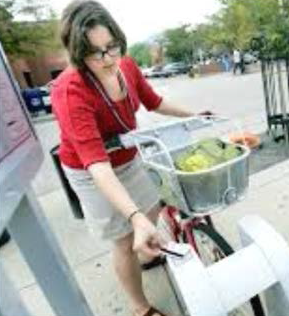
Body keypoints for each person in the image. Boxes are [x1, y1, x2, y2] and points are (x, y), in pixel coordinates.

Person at [51, 1, 208, 316]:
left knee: (150, 210)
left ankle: (147, 254)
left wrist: (196, 116)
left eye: (112, 46)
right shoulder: (69, 91)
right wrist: (132, 218)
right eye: (96, 52)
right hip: (91, 172)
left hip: (129, 155)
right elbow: (97, 166)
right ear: (77, 52)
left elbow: (154, 101)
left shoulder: (127, 66)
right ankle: (140, 308)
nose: (108, 58)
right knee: (123, 240)